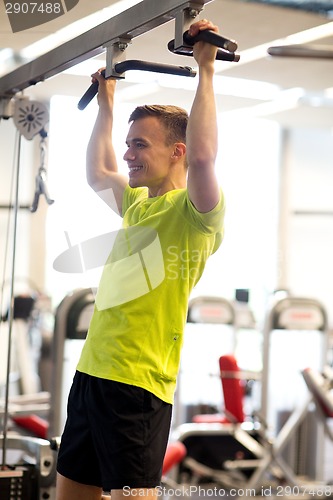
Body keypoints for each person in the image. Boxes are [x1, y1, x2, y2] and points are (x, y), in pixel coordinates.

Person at [55, 18, 225, 500]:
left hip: (137, 387)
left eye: (139, 145)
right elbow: (97, 172)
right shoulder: (137, 205)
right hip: (92, 374)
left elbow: (205, 159)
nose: (128, 155)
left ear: (176, 151)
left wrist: (206, 70)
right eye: (129, 144)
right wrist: (106, 104)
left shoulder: (195, 213)